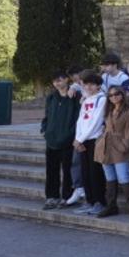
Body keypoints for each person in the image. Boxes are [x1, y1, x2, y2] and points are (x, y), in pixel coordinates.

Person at [95, 86, 129, 218]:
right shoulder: (108, 108)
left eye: (117, 94)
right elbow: (103, 126)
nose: (114, 97)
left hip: (119, 145)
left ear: (122, 94)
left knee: (124, 177)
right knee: (110, 178)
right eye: (111, 95)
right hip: (105, 146)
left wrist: (125, 146)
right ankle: (111, 206)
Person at [41, 72, 79, 209]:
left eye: (60, 80)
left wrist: (71, 134)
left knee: (68, 170)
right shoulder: (51, 97)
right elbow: (47, 116)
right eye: (54, 81)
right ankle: (51, 197)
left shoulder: (75, 96)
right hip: (51, 140)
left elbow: (78, 118)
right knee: (51, 170)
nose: (57, 83)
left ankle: (67, 197)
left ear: (66, 80)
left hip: (68, 140)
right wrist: (45, 129)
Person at [72, 71, 107, 215]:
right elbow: (81, 120)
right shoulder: (86, 100)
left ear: (98, 86)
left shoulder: (102, 99)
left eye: (92, 84)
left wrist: (81, 139)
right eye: (86, 84)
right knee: (85, 172)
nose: (89, 87)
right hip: (83, 140)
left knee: (95, 172)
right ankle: (89, 200)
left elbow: (96, 121)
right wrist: (77, 139)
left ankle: (99, 201)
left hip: (94, 139)